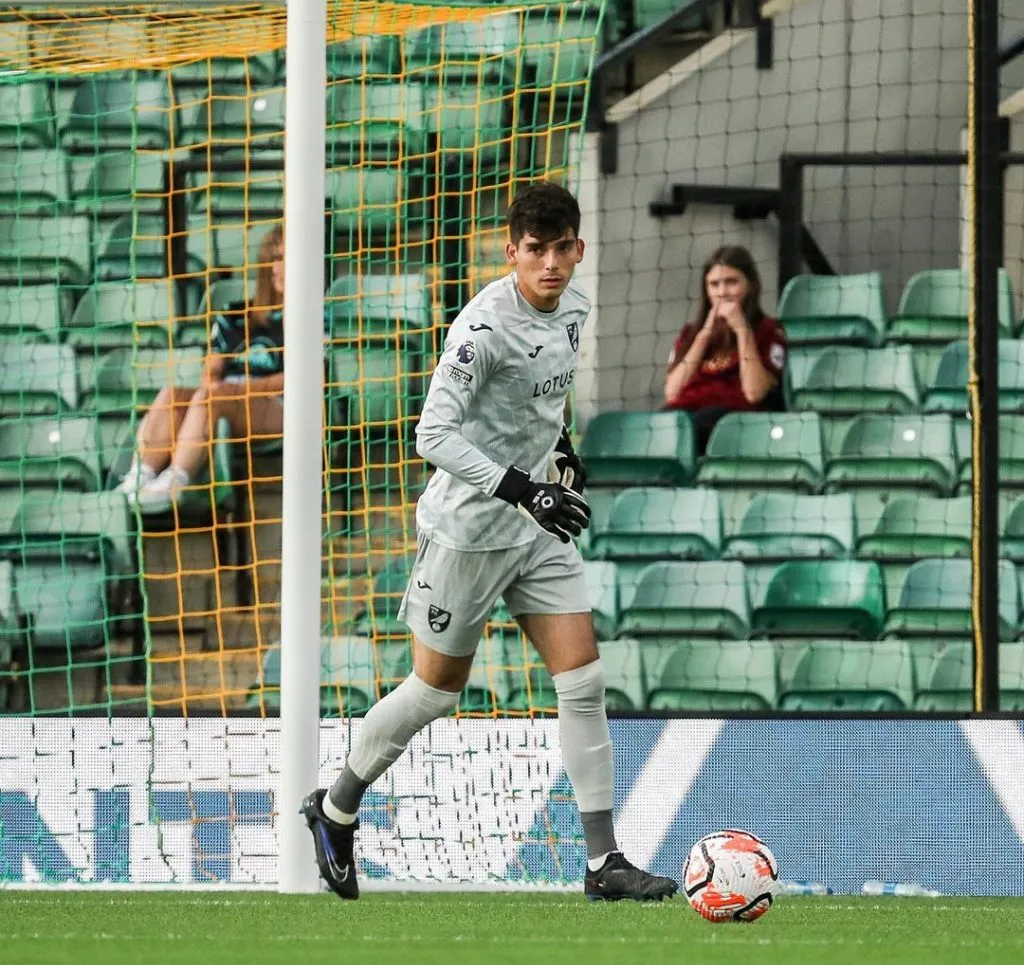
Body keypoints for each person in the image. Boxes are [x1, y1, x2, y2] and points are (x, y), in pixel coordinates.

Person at [302, 182, 678, 903]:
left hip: (535, 525)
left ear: (577, 248)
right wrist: (521, 486)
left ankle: (604, 863)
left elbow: (543, 399)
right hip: (468, 533)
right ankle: (337, 804)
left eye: (561, 248)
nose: (549, 264)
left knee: (584, 681)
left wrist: (559, 450)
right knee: (434, 693)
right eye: (534, 250)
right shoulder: (481, 331)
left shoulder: (574, 305)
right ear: (512, 252)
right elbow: (431, 435)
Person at [116, 224, 287, 515]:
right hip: (224, 396)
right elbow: (210, 371)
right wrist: (220, 386)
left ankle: (175, 481)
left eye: (285, 257)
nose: (279, 266)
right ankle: (138, 478)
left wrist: (237, 389)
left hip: (281, 404)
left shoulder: (315, 315)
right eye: (275, 257)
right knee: (173, 394)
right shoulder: (235, 314)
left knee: (213, 397)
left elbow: (308, 377)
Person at [663, 245, 787, 451]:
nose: (722, 292)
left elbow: (754, 393)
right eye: (714, 284)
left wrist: (742, 331)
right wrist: (703, 337)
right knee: (658, 425)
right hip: (684, 415)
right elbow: (672, 393)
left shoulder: (769, 331)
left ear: (751, 286)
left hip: (734, 422)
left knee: (703, 421)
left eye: (731, 282)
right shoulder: (690, 334)